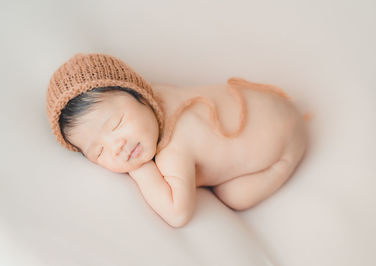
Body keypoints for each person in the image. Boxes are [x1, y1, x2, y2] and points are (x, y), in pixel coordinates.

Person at [46, 53, 309, 228]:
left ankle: (284, 163)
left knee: (233, 197)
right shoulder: (160, 92)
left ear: (139, 93)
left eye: (117, 124)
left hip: (286, 139)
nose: (118, 146)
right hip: (264, 101)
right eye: (99, 152)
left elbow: (178, 213)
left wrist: (141, 171)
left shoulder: (175, 146)